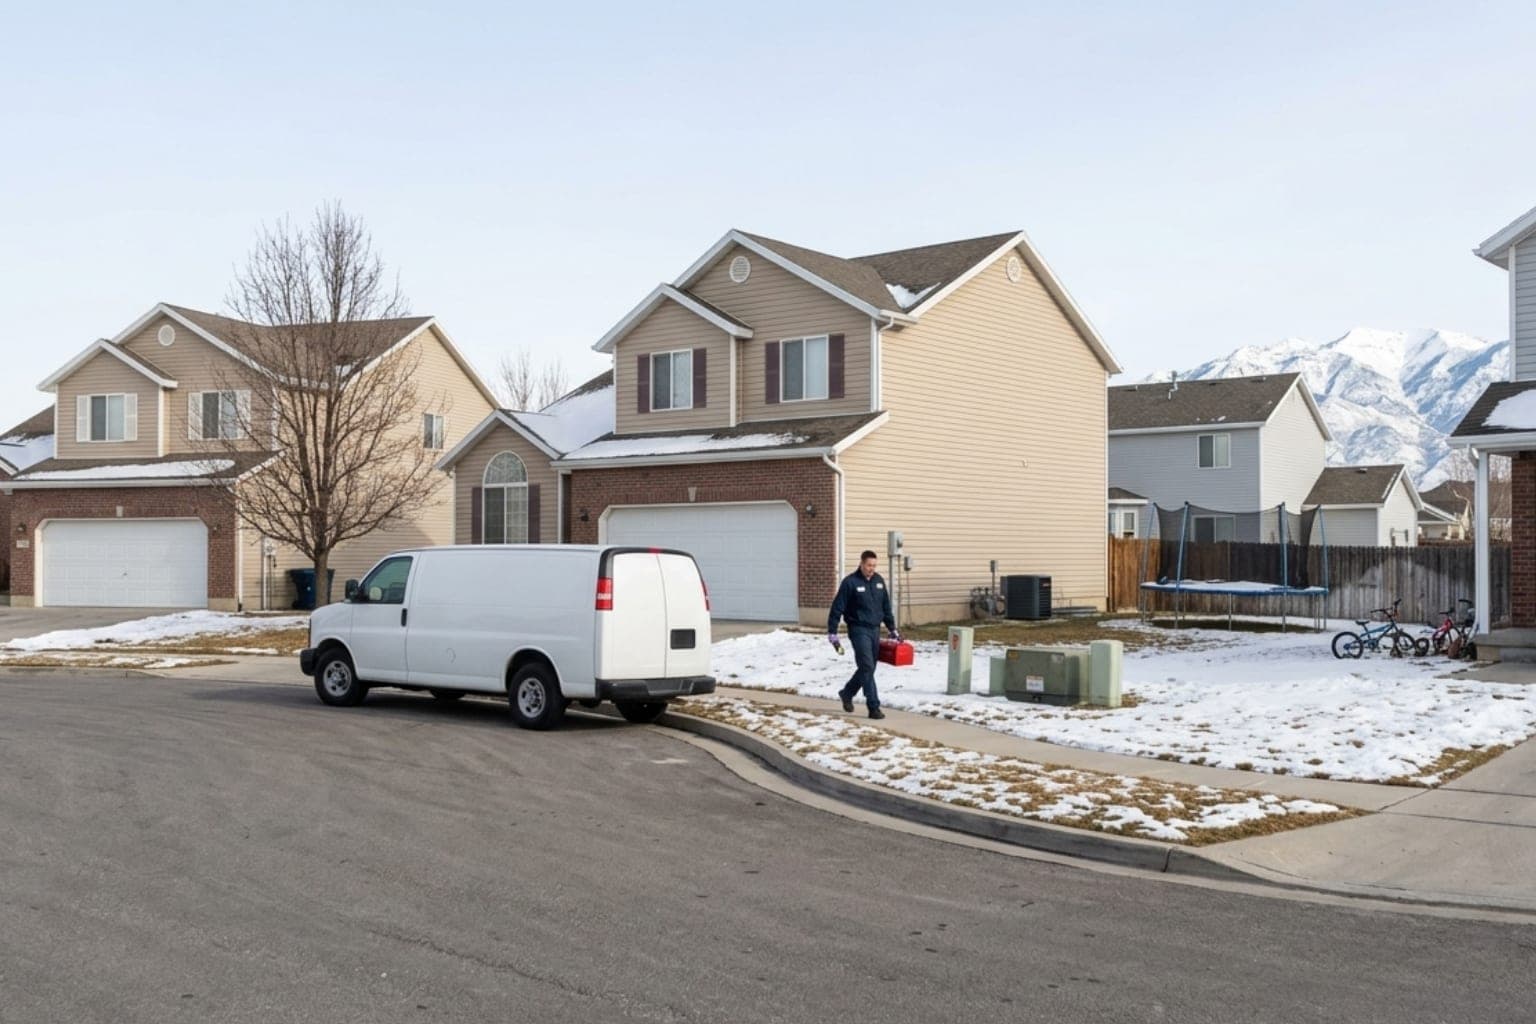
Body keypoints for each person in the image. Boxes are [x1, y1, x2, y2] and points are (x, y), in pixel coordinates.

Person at [827, 550, 901, 719]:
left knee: (868, 668)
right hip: (858, 629)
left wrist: (892, 628)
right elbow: (837, 608)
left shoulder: (879, 581)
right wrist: (832, 632)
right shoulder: (850, 583)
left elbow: (886, 608)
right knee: (867, 666)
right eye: (869, 565)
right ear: (861, 564)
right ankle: (873, 707)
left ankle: (847, 693)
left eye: (874, 565)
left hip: (875, 630)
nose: (871, 569)